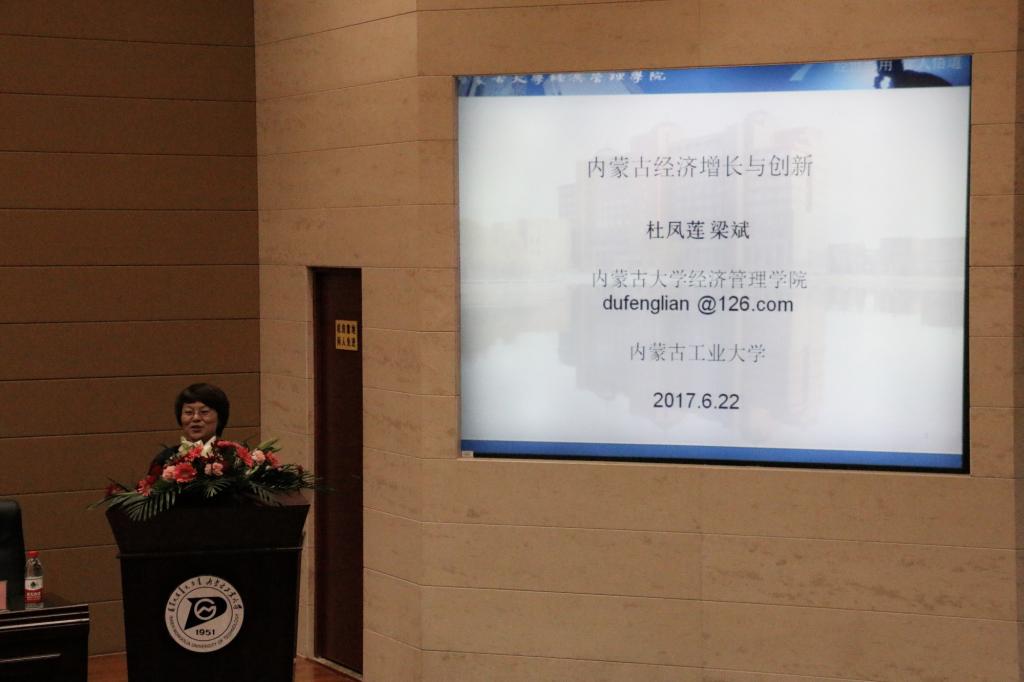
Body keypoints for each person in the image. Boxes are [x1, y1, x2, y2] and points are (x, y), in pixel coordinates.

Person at [151, 383, 231, 469]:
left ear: (220, 417)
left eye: (204, 412)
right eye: (189, 412)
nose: (196, 418)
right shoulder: (166, 459)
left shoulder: (234, 456)